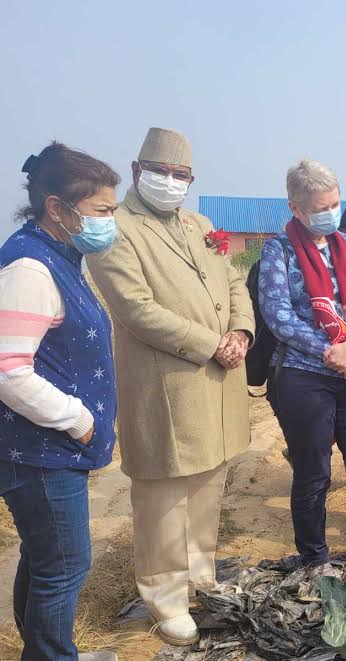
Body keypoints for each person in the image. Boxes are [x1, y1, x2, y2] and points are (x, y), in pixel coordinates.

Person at [86, 128, 255, 646]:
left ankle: (200, 575)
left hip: (219, 376)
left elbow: (233, 283)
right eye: (160, 172)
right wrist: (211, 342)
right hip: (168, 382)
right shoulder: (116, 229)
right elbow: (136, 309)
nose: (171, 182)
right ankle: (164, 595)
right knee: (163, 492)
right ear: (137, 172)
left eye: (180, 175)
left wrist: (242, 330)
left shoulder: (200, 223)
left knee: (208, 481)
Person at [0, 143, 120, 661]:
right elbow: (7, 368)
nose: (110, 222)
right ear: (57, 207)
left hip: (48, 448)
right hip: (40, 450)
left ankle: (46, 650)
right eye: (102, 211)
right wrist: (77, 419)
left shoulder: (60, 256)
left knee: (47, 558)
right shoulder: (29, 269)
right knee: (67, 565)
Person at [259, 159, 346, 577]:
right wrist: (330, 352)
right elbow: (277, 315)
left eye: (334, 203)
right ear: (296, 208)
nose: (329, 213)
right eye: (319, 207)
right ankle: (314, 556)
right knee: (314, 471)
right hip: (304, 375)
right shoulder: (278, 250)